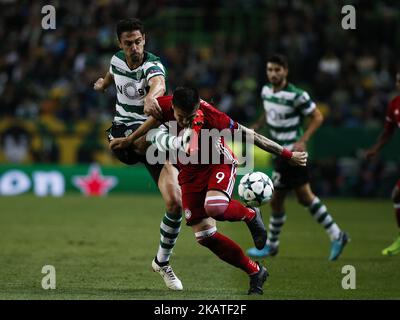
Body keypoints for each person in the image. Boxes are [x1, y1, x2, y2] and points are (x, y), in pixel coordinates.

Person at [109, 86, 307, 295]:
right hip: (189, 173)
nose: (185, 121)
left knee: (214, 207)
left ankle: (249, 214)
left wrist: (287, 155)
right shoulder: (165, 105)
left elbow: (252, 136)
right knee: (205, 236)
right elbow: (155, 121)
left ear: (198, 107)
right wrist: (130, 140)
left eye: (191, 116)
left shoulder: (214, 117)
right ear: (173, 107)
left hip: (217, 163)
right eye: (180, 116)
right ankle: (255, 271)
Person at [93, 18, 183, 290]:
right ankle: (183, 145)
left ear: (145, 39)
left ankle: (162, 262)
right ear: (120, 44)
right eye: (128, 43)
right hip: (123, 133)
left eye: (138, 41)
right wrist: (103, 84)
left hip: (149, 136)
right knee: (141, 141)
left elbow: (159, 84)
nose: (134, 47)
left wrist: (151, 96)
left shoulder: (153, 65)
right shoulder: (116, 60)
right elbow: (111, 74)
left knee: (175, 203)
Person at [246, 54, 349, 261]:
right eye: (270, 70)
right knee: (299, 198)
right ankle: (337, 235)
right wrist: (258, 124)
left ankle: (273, 246)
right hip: (279, 152)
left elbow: (318, 116)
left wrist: (303, 140)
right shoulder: (266, 91)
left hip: (292, 153)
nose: (273, 74)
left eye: (277, 70)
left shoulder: (297, 95)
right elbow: (269, 111)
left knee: (280, 199)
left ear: (286, 71)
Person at [365, 71, 400, 256]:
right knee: (396, 195)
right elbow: (388, 132)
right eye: (397, 81)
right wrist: (375, 149)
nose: (398, 84)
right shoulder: (395, 105)